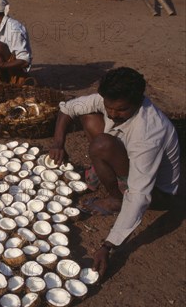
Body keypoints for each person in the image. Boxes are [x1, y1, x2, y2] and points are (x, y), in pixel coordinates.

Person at [48, 67, 180, 277]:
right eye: (109, 107)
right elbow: (69, 108)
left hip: (157, 192)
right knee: (89, 116)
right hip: (127, 156)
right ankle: (102, 167)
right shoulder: (110, 100)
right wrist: (58, 143)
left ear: (138, 101)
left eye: (120, 110)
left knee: (101, 145)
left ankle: (116, 198)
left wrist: (108, 245)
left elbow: (139, 196)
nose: (112, 113)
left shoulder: (149, 133)